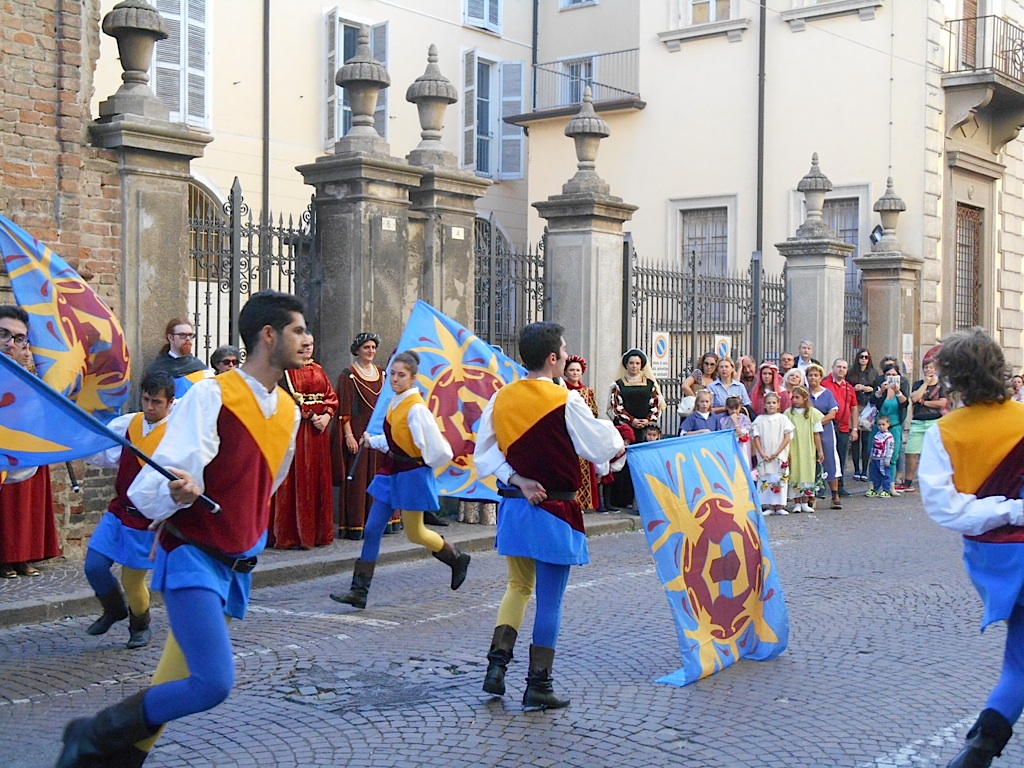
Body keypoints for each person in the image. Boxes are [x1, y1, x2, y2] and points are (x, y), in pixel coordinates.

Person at [55, 290, 306, 768]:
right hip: (194, 554)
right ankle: (94, 731)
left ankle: (117, 759)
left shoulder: (289, 411)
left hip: (236, 562)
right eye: (297, 329)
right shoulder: (214, 394)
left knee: (174, 681)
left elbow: (266, 484)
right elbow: (160, 480)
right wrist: (178, 492)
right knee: (212, 683)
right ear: (269, 335)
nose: (307, 339)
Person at [474, 321, 624, 709]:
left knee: (517, 587)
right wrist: (616, 440)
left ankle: (496, 668)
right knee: (549, 601)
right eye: (565, 349)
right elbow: (599, 446)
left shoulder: (501, 398)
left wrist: (517, 479)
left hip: (515, 507)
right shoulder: (566, 400)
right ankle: (539, 684)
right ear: (553, 358)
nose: (568, 354)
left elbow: (484, 456)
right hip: (555, 510)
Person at [917, 328, 1024, 768]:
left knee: (1019, 660)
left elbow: (945, 509)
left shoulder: (944, 433)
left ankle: (978, 750)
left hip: (994, 560)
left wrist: (1004, 511)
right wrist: (1015, 510)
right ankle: (977, 751)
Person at [330, 350, 464, 610]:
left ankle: (456, 558)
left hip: (411, 475)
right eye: (392, 374)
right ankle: (359, 591)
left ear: (413, 378)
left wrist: (423, 466)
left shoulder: (417, 409)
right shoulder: (395, 402)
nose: (394, 379)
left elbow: (440, 450)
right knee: (372, 529)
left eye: (401, 375)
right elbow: (395, 440)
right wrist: (372, 441)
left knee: (416, 533)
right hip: (391, 472)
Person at [80, 371, 176, 649]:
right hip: (119, 510)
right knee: (94, 565)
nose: (149, 407)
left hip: (147, 520)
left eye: (156, 402)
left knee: (132, 581)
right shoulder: (128, 424)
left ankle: (140, 624)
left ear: (170, 403)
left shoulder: (177, 435)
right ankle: (114, 609)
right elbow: (105, 453)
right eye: (146, 399)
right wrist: (79, 444)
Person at [0, 306, 61, 579]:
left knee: (23, 508)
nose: (10, 343)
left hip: (24, 451)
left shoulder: (29, 379)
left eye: (19, 338)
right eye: (3, 334)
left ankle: (21, 555)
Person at [268, 336, 338, 549]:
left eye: (311, 345)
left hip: (319, 432)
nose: (308, 349)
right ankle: (293, 534)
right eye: (304, 345)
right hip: (298, 429)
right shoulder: (287, 371)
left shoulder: (318, 369)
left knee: (317, 476)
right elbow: (286, 398)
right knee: (298, 476)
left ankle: (318, 533)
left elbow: (331, 396)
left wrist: (327, 415)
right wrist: (310, 415)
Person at [331, 332, 400, 540]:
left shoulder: (382, 374)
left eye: (373, 348)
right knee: (360, 479)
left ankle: (383, 521)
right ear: (357, 350)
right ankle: (356, 523)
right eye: (366, 347)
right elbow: (344, 410)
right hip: (359, 431)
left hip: (380, 431)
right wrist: (349, 436)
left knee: (381, 475)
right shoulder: (348, 375)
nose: (371, 351)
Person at [900, 358, 948, 494]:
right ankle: (908, 482)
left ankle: (937, 481)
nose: (928, 370)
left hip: (934, 421)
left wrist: (924, 402)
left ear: (936, 370)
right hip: (918, 421)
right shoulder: (918, 384)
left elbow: (942, 403)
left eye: (931, 367)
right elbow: (914, 398)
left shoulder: (941, 385)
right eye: (926, 368)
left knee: (935, 453)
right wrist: (925, 384)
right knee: (911, 452)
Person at [563, 355, 601, 512]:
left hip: (583, 435)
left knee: (583, 468)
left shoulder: (588, 392)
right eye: (572, 370)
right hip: (566, 434)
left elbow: (594, 413)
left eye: (577, 370)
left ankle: (584, 502)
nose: (575, 373)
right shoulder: (561, 390)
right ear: (566, 372)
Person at [144, 318, 214, 398]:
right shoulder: (157, 368)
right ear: (170, 337)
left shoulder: (202, 370)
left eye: (190, 335)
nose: (188, 339)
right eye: (182, 335)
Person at [806, 363, 843, 509]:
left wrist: (817, 423)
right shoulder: (804, 393)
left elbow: (832, 413)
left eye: (816, 375)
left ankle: (835, 495)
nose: (813, 378)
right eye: (810, 375)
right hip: (807, 432)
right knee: (810, 462)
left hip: (825, 431)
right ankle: (811, 496)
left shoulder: (827, 393)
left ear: (821, 377)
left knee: (829, 460)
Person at [752, 391, 795, 515]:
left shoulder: (783, 419)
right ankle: (769, 506)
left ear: (778, 404)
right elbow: (756, 437)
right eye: (769, 403)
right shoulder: (760, 420)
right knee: (767, 477)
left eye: (774, 403)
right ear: (764, 405)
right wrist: (761, 452)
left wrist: (777, 452)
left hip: (779, 454)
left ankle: (780, 505)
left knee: (779, 477)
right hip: (765, 454)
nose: (771, 405)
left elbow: (787, 437)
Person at [822, 358, 859, 497]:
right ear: (833, 367)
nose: (841, 370)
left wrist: (854, 429)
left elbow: (854, 408)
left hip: (843, 428)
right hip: (827, 426)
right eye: (838, 367)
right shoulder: (824, 384)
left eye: (844, 367)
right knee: (824, 456)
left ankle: (840, 486)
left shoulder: (849, 387)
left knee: (841, 458)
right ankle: (821, 487)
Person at [785, 385, 824, 514]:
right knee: (795, 472)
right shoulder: (788, 413)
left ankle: (805, 502)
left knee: (807, 472)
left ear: (805, 398)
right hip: (794, 446)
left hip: (808, 447)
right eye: (793, 397)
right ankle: (796, 502)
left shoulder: (813, 413)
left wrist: (820, 451)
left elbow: (816, 433)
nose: (795, 400)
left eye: (797, 397)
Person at [608, 348, 662, 440]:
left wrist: (648, 420)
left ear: (641, 365)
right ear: (626, 365)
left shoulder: (650, 384)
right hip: (625, 427)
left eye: (637, 363)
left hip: (646, 429)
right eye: (631, 363)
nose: (634, 366)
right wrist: (632, 420)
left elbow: (656, 403)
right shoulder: (618, 385)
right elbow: (616, 406)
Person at [871, 361, 908, 492]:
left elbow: (905, 404)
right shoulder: (881, 387)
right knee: (875, 457)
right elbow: (873, 401)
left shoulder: (901, 388)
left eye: (894, 374)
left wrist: (898, 392)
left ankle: (890, 486)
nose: (891, 377)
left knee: (892, 457)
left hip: (895, 426)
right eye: (888, 374)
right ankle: (873, 486)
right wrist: (881, 391)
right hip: (880, 426)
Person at [847, 348, 877, 481]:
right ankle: (856, 470)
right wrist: (855, 388)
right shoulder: (851, 372)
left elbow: (876, 389)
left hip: (868, 407)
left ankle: (864, 470)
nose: (864, 359)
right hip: (854, 406)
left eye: (866, 357)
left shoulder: (873, 373)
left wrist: (865, 388)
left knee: (866, 440)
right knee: (855, 440)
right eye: (861, 357)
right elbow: (847, 387)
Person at [718, 395, 753, 466]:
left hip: (742, 447)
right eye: (731, 408)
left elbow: (743, 436)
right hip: (729, 448)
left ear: (740, 407)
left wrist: (736, 422)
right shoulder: (723, 420)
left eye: (736, 408)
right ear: (727, 407)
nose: (734, 411)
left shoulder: (744, 419)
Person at [865, 415, 895, 498]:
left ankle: (886, 490)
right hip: (875, 458)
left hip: (883, 459)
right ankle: (875, 489)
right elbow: (873, 446)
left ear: (888, 424)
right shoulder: (877, 434)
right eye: (879, 425)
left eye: (883, 424)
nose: (881, 426)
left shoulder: (889, 436)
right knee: (875, 475)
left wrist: (887, 459)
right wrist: (871, 456)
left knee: (885, 474)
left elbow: (890, 448)